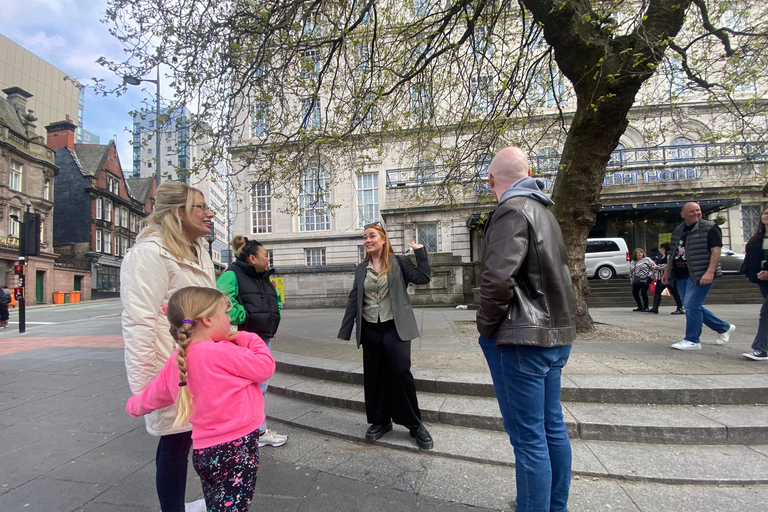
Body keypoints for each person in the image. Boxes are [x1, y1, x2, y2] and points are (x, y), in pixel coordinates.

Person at [475, 146, 575, 512]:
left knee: (529, 438)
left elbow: (497, 279)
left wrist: (486, 328)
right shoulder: (545, 210)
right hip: (554, 335)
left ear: (491, 180)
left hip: (521, 338)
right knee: (551, 428)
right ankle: (554, 507)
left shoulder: (510, 210)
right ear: (528, 172)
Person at [127, 286, 275, 512]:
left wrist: (133, 406)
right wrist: (249, 338)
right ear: (207, 320)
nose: (229, 319)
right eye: (225, 314)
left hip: (204, 451)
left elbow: (152, 396)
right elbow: (265, 367)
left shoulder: (178, 361)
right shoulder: (224, 352)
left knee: (217, 502)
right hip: (238, 448)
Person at [121, 181, 216, 512]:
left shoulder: (198, 250)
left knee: (194, 438)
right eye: (200, 207)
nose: (210, 213)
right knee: (175, 442)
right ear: (178, 212)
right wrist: (146, 387)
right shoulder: (148, 254)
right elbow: (139, 321)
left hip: (203, 365)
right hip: (171, 368)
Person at [337, 222, 434, 450]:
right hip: (371, 329)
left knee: (400, 372)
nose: (368, 240)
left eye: (372, 236)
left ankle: (413, 423)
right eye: (364, 237)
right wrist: (345, 330)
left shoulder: (399, 262)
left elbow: (423, 277)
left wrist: (420, 252)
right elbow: (354, 299)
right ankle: (380, 421)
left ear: (383, 239)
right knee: (374, 375)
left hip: (395, 327)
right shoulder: (361, 269)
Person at [217, 236, 287, 447]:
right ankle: (256, 431)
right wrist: (247, 316)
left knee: (259, 386)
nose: (268, 259)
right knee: (250, 387)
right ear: (252, 258)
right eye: (265, 255)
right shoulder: (231, 275)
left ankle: (254, 429)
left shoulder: (262, 277)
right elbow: (221, 304)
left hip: (261, 338)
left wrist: (275, 315)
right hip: (243, 340)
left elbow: (275, 301)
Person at [662, 202, 735, 351]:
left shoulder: (710, 228)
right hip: (681, 274)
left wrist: (710, 272)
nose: (696, 213)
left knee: (691, 306)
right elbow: (672, 253)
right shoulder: (678, 230)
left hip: (699, 274)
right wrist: (667, 271)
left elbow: (716, 251)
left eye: (698, 210)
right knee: (692, 306)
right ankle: (724, 327)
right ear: (683, 214)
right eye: (692, 211)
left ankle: (692, 340)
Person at [742, 205, 768, 361]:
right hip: (763, 279)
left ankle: (761, 349)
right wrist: (750, 273)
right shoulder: (757, 239)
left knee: (766, 313)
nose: (767, 215)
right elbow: (750, 258)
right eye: (765, 213)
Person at [647, 242, 684, 314]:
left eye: (660, 248)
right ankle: (655, 307)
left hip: (669, 277)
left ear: (663, 248)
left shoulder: (669, 256)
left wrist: (657, 267)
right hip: (660, 277)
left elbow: (668, 265)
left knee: (674, 292)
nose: (659, 250)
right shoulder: (662, 256)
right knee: (657, 292)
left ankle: (680, 307)